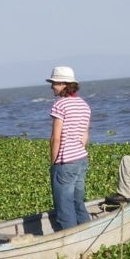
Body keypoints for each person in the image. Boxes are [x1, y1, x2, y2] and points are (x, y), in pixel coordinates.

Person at [45, 66, 92, 230]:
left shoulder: (60, 105)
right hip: (81, 158)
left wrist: (54, 163)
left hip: (65, 161)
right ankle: (88, 234)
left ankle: (71, 241)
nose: (52, 86)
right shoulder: (84, 105)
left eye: (54, 83)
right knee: (78, 202)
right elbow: (85, 136)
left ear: (64, 84)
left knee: (64, 207)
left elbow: (55, 138)